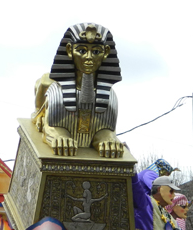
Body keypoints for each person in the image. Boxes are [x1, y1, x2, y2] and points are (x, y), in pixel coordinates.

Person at [32, 22, 124, 158]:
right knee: (46, 81)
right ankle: (39, 114)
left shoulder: (109, 96)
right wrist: (59, 135)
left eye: (96, 51)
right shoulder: (57, 91)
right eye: (81, 50)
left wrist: (107, 139)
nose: (89, 57)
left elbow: (105, 130)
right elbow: (52, 127)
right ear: (69, 50)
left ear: (106, 53)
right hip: (53, 96)